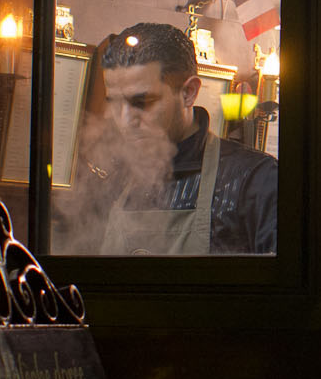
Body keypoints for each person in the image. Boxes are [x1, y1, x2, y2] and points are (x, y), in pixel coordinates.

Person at [91, 22, 278, 255]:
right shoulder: (114, 185)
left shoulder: (254, 180)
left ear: (188, 93)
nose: (126, 120)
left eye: (141, 102)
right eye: (115, 103)